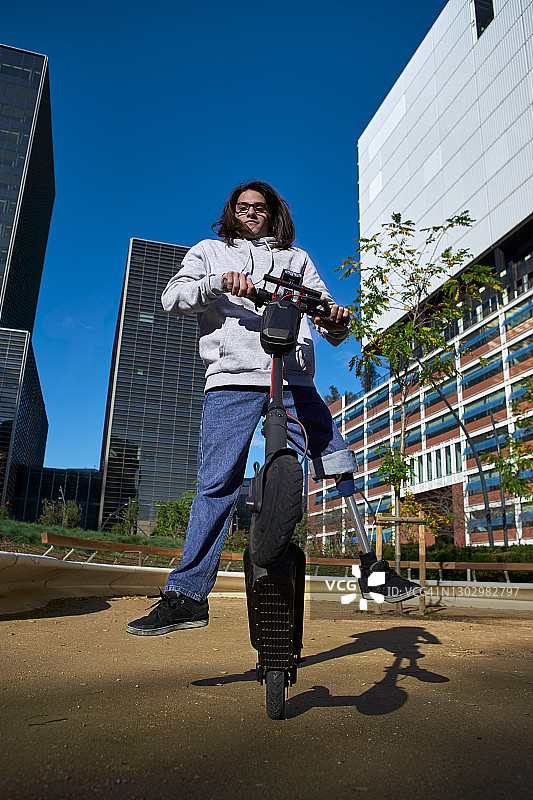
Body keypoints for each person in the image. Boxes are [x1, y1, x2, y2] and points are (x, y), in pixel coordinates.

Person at [126, 180, 422, 636]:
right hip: (233, 378)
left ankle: (373, 569)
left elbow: (329, 322)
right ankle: (187, 597)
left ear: (272, 213)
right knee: (217, 482)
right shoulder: (209, 250)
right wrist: (219, 282)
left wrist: (335, 319)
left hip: (293, 376)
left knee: (337, 458)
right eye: (243, 207)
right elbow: (173, 298)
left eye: (259, 208)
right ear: (232, 210)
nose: (251, 213)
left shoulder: (296, 260)